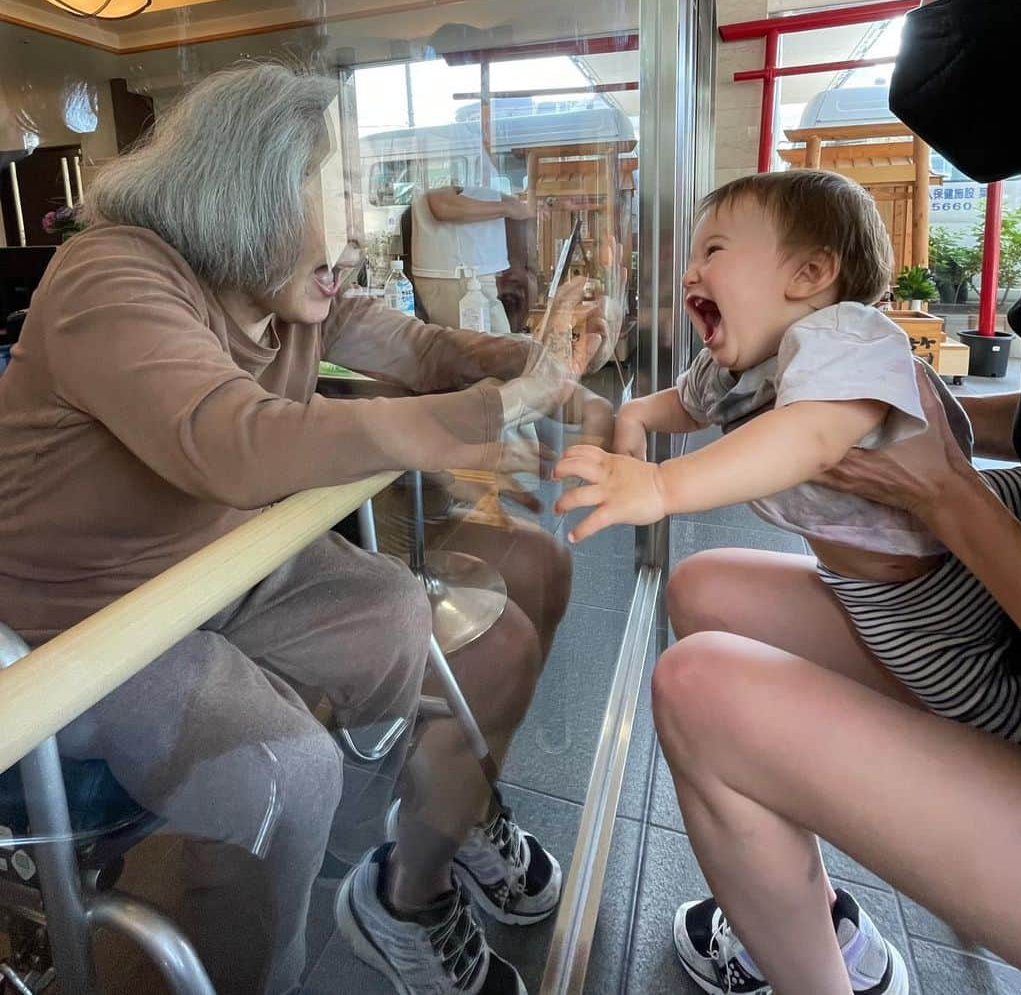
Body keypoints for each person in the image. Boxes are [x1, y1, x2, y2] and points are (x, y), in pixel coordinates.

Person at [568, 0, 1021, 991]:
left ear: (807, 280)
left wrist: (960, 500)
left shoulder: (840, 349)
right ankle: (803, 899)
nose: (933, 13)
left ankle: (824, 966)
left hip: (1014, 662)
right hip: (976, 596)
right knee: (699, 584)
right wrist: (631, 412)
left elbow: (794, 446)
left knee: (700, 688)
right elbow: (698, 401)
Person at [0, 62, 602, 995]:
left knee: (395, 610)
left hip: (217, 567)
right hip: (87, 617)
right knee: (287, 773)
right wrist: (494, 410)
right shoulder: (111, 273)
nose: (360, 228)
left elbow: (425, 350)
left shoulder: (296, 294)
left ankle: (355, 876)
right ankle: (267, 957)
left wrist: (541, 361)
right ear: (253, 193)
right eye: (344, 192)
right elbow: (232, 443)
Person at [557, 169, 1021, 784]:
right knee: (959, 693)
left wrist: (662, 486)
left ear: (810, 275)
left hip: (952, 560)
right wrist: (633, 419)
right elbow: (680, 406)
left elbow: (814, 438)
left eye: (713, 251)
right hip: (881, 591)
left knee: (986, 723)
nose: (690, 273)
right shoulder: (735, 362)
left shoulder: (841, 336)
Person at [411, 182, 533, 334]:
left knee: (503, 347)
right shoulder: (449, 164)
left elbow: (476, 193)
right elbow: (443, 205)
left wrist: (522, 205)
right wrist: (508, 208)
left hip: (472, 273)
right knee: (484, 350)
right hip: (455, 274)